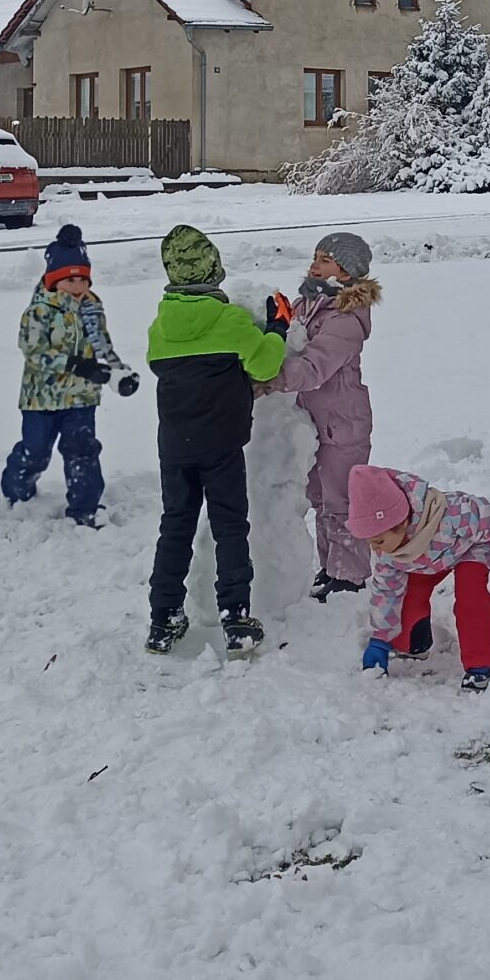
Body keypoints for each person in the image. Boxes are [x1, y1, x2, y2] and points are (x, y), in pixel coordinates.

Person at [144, 224, 289, 657]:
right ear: (214, 270)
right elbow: (265, 365)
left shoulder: (160, 327)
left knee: (175, 527)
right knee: (230, 527)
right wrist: (277, 328)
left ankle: (163, 619)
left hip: (174, 446)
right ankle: (236, 617)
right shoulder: (230, 320)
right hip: (222, 446)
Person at [347, 463, 490, 692]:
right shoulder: (388, 554)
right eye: (370, 542)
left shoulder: (455, 516)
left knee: (471, 596)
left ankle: (483, 661)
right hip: (423, 562)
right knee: (406, 593)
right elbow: (386, 594)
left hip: (471, 548)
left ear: (401, 523)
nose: (375, 548)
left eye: (378, 541)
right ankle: (413, 641)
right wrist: (380, 640)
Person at [265, 230, 380, 599]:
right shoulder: (309, 302)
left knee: (342, 501)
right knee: (320, 497)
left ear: (345, 271)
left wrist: (267, 379)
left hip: (342, 423)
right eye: (315, 257)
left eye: (325, 260)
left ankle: (350, 576)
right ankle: (331, 567)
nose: (315, 264)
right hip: (315, 421)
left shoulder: (345, 317)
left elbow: (315, 366)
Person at [3, 225, 138, 524]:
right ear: (54, 280)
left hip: (81, 397)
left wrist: (119, 372)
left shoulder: (92, 308)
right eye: (70, 279)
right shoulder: (39, 312)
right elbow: (34, 352)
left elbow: (103, 346)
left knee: (83, 452)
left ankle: (85, 509)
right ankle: (16, 494)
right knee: (36, 452)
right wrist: (79, 366)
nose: (78, 286)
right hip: (41, 398)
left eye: (83, 279)